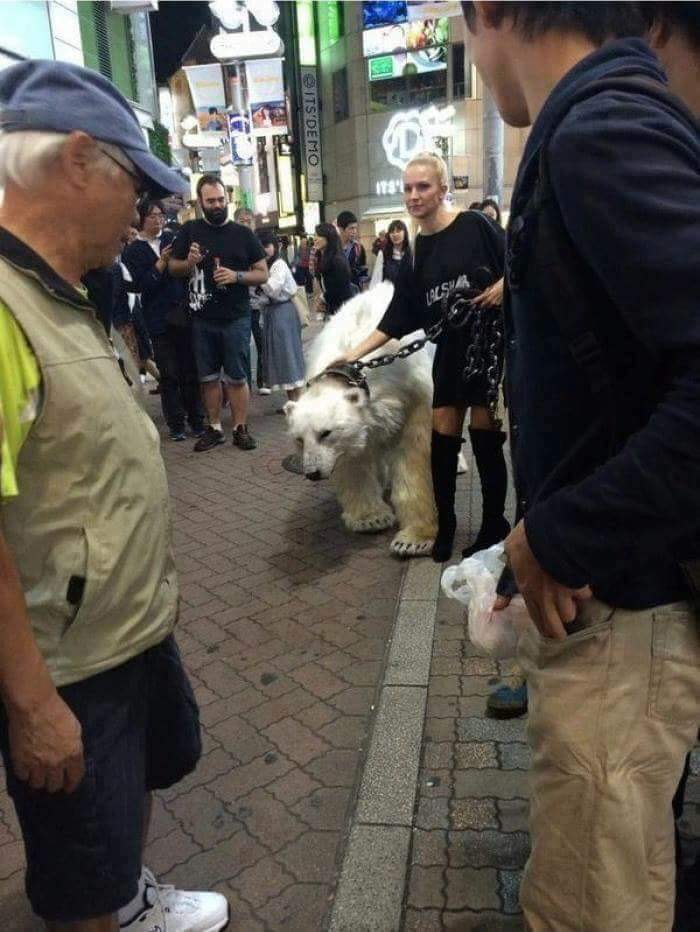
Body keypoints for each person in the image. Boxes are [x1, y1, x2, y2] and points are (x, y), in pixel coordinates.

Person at [462, 2, 700, 929]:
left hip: (625, 616)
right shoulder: (604, 118)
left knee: (593, 905)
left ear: (488, 11)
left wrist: (557, 534)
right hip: (622, 605)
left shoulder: (600, 128)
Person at [0, 59, 228, 932]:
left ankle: (128, 905)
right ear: (79, 160)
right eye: (136, 184)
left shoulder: (60, 293)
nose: (146, 212)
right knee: (79, 869)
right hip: (66, 665)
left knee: (123, 813)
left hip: (121, 633)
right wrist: (30, 703)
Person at [335, 151, 508, 564]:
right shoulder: (417, 249)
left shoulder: (475, 225)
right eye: (408, 188)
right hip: (448, 353)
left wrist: (504, 285)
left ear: (442, 189)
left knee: (485, 439)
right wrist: (349, 357)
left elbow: (519, 262)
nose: (414, 195)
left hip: (486, 349)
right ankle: (445, 524)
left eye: (423, 186)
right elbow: (399, 315)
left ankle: (491, 524)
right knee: (442, 436)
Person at [169, 176, 268, 452]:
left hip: (236, 316)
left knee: (237, 377)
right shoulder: (190, 231)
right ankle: (214, 428)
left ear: (228, 199)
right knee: (208, 377)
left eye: (221, 200)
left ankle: (240, 428)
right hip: (202, 318)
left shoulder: (243, 234)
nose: (217, 205)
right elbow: (173, 268)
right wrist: (189, 263)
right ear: (200, 202)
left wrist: (236, 276)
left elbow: (263, 273)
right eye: (211, 200)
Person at [124, 198, 204, 441]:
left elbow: (186, 272)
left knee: (190, 369)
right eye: (152, 216)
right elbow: (140, 286)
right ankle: (176, 424)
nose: (158, 220)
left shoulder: (172, 239)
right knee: (169, 373)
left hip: (183, 313)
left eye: (161, 215)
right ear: (141, 219)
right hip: (157, 318)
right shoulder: (133, 251)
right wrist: (160, 263)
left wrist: (188, 261)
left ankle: (197, 420)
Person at [255, 231, 305, 402]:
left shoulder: (279, 265)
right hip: (273, 313)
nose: (264, 250)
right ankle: (293, 400)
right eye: (261, 247)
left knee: (289, 355)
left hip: (283, 312)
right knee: (282, 357)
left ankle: (299, 401)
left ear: (275, 247)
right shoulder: (267, 265)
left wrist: (258, 278)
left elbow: (273, 289)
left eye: (267, 246)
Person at [233, 205, 268, 394]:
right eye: (242, 221)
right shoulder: (231, 243)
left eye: (249, 221)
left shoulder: (258, 244)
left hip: (259, 304)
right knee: (242, 348)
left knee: (262, 344)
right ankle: (244, 384)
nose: (246, 225)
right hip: (240, 303)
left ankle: (262, 381)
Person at [314, 222, 355, 317]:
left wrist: (322, 299)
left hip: (343, 311)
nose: (315, 239)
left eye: (319, 236)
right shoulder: (324, 257)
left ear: (329, 237)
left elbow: (339, 290)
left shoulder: (336, 260)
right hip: (335, 309)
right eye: (315, 235)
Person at [369, 218, 411, 288]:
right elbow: (376, 280)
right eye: (392, 232)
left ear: (405, 232)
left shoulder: (412, 253)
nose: (395, 234)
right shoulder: (383, 254)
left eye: (398, 231)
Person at [336, 210, 367, 289]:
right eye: (351, 228)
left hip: (354, 292)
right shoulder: (331, 248)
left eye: (356, 228)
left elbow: (362, 272)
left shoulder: (358, 247)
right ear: (341, 229)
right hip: (335, 292)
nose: (354, 232)